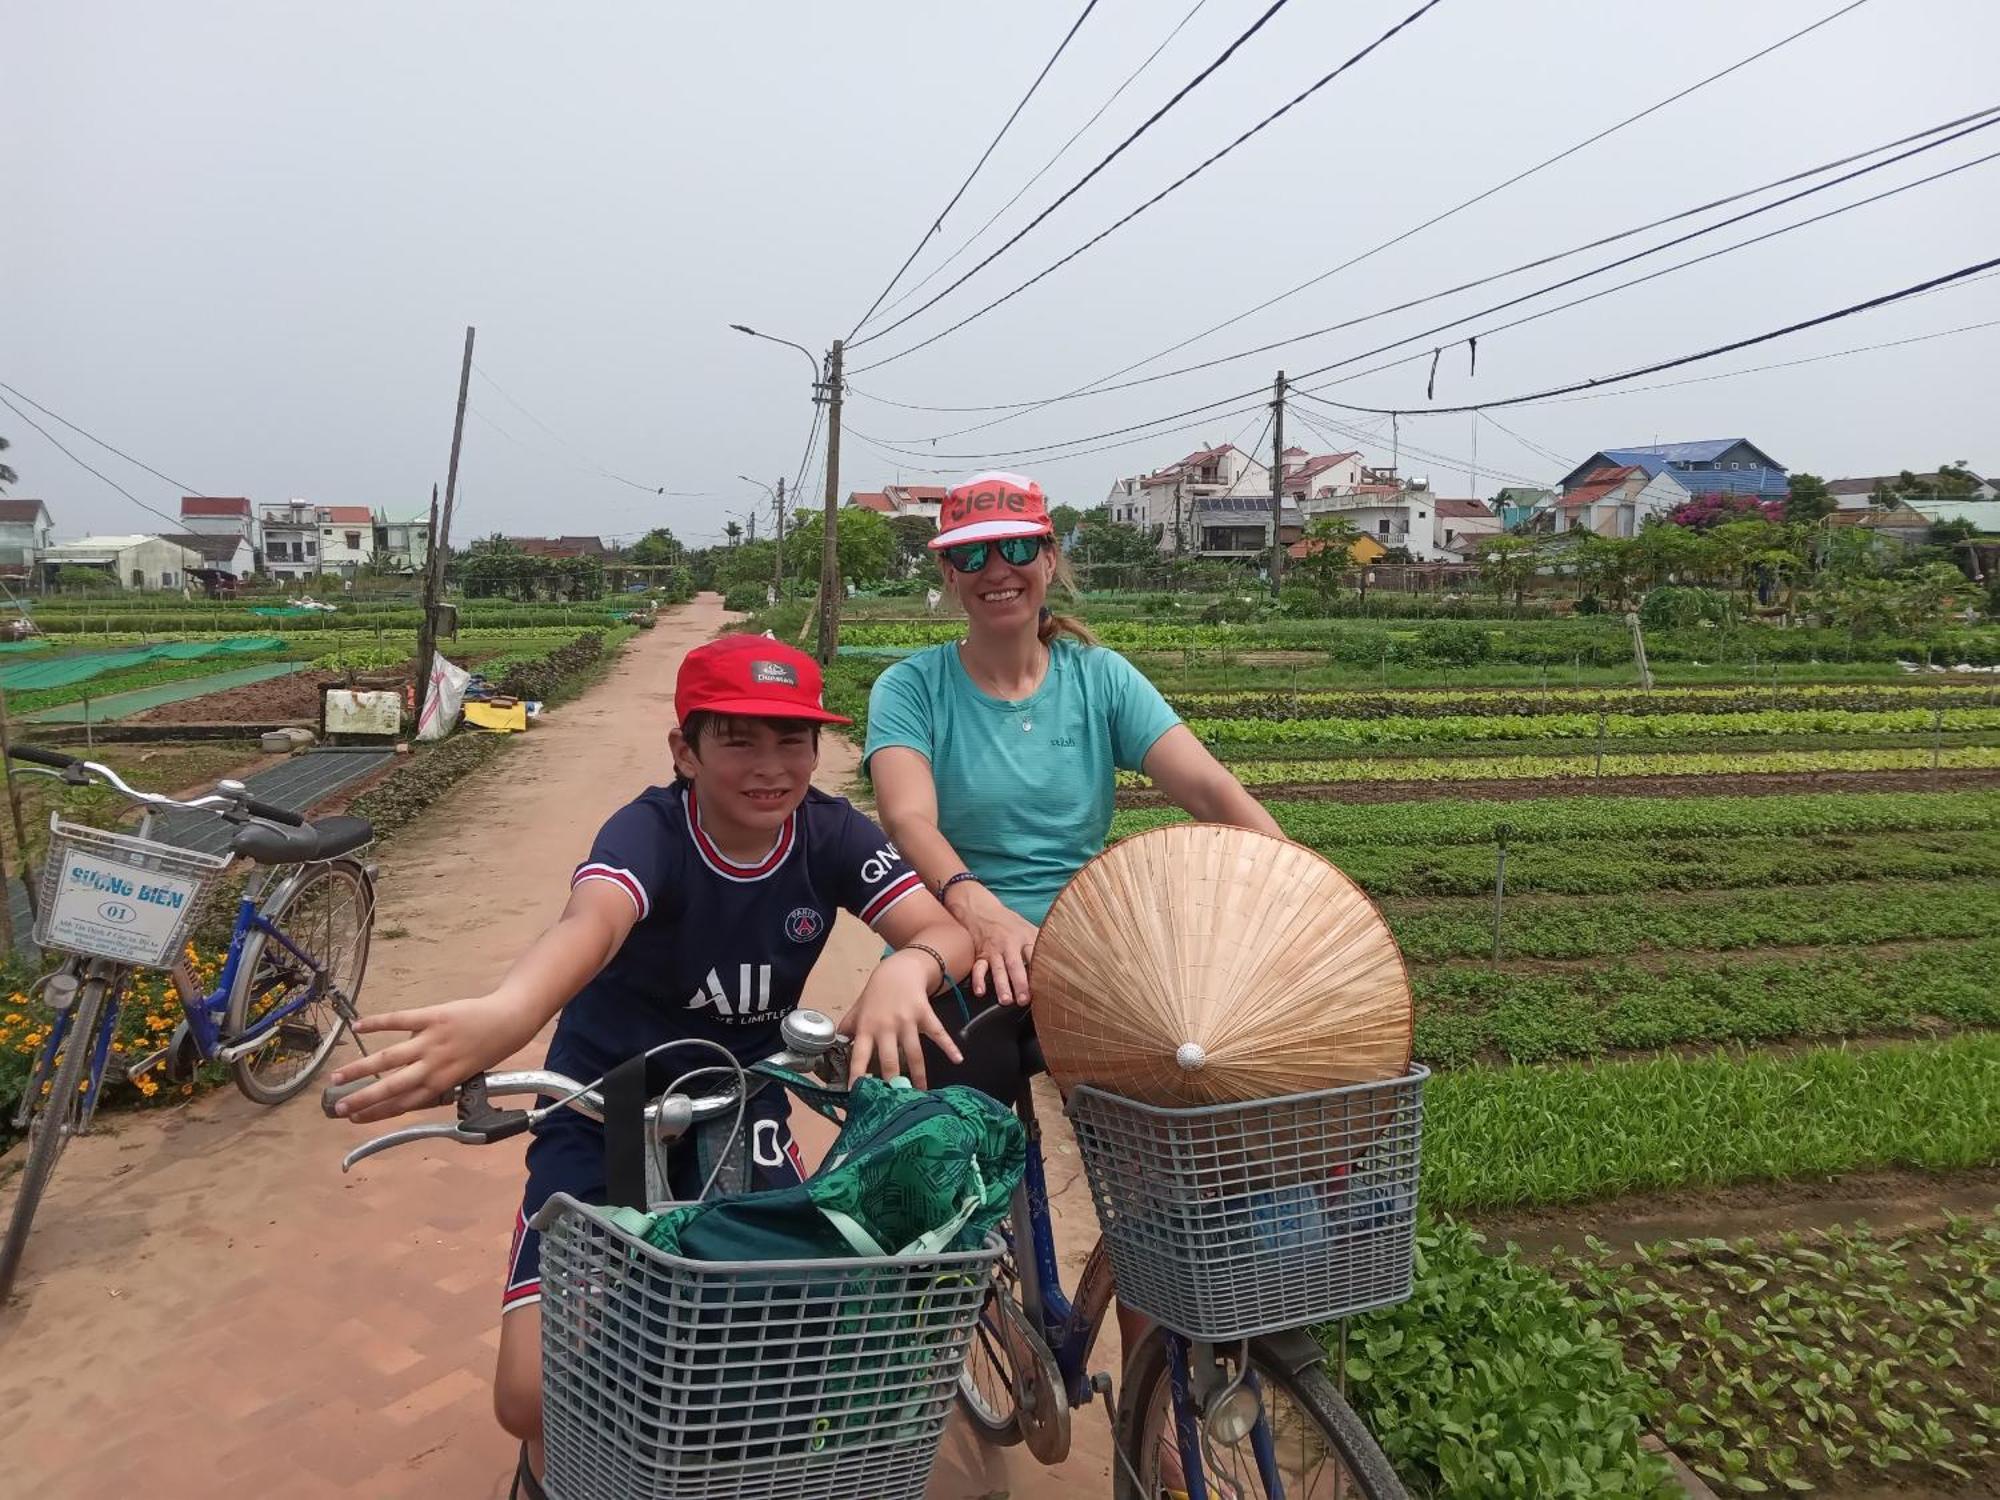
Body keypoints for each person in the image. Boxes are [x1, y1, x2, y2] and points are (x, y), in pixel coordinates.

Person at [327, 635, 971, 1498]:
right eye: (739, 739)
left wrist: (907, 966)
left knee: (782, 1344)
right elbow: (589, 924)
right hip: (607, 1107)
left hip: (746, 1106)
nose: (770, 766)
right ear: (685, 750)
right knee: (531, 1397)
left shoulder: (827, 832)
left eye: (793, 740)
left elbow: (945, 931)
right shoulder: (652, 830)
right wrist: (509, 1014)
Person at [864, 470, 1285, 1096]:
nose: (996, 569)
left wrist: (1297, 887)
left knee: (1190, 1096)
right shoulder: (911, 688)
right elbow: (908, 818)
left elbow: (1211, 792)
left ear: (1050, 557)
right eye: (971, 554)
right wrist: (982, 912)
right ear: (949, 575)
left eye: (1017, 548)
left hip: (1086, 949)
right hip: (958, 947)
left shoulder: (1100, 678)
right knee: (941, 1127)